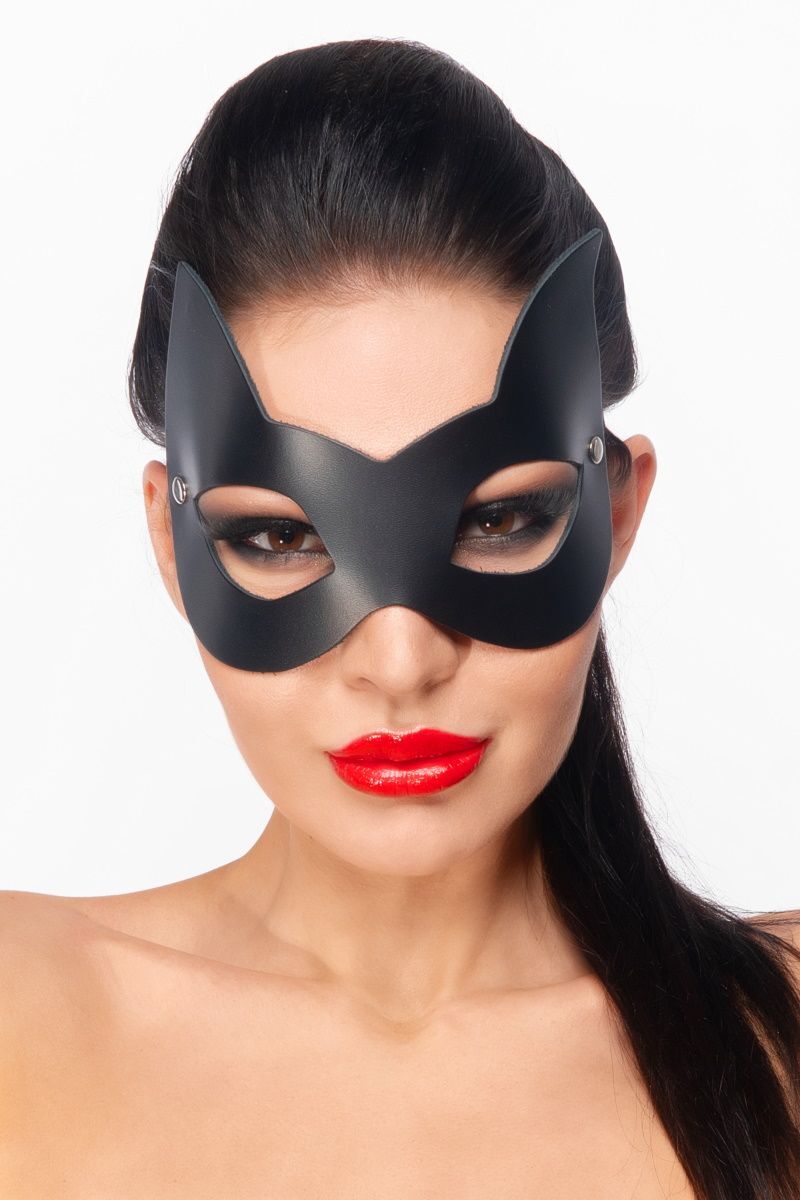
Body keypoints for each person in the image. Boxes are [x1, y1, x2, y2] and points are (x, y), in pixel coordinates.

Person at [2, 37, 799, 1200]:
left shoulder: (775, 1037)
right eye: (279, 538)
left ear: (617, 514)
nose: (399, 658)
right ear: (172, 546)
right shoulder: (21, 1013)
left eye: (499, 522)